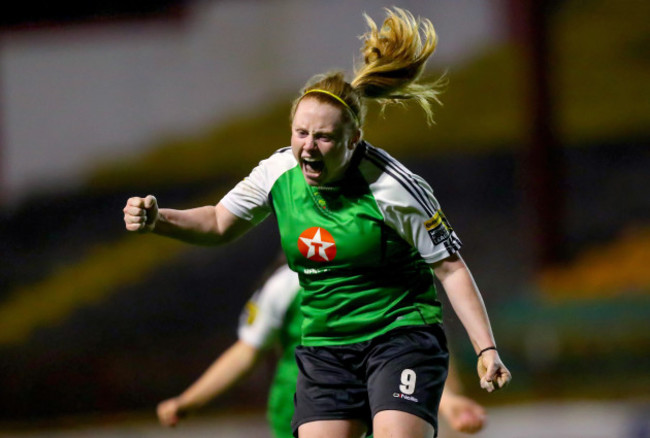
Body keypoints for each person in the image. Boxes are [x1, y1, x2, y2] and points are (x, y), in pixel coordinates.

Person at [123, 7, 511, 438]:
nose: (308, 147)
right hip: (326, 348)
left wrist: (486, 348)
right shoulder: (276, 173)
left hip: (399, 335)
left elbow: (450, 267)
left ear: (354, 140)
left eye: (323, 137)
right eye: (300, 133)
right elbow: (217, 222)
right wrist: (160, 220)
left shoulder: (395, 187)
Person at [156, 260, 487, 437]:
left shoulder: (392, 279)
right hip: (303, 413)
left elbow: (414, 354)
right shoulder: (287, 283)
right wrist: (189, 401)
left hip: (376, 410)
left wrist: (447, 400)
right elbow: (246, 351)